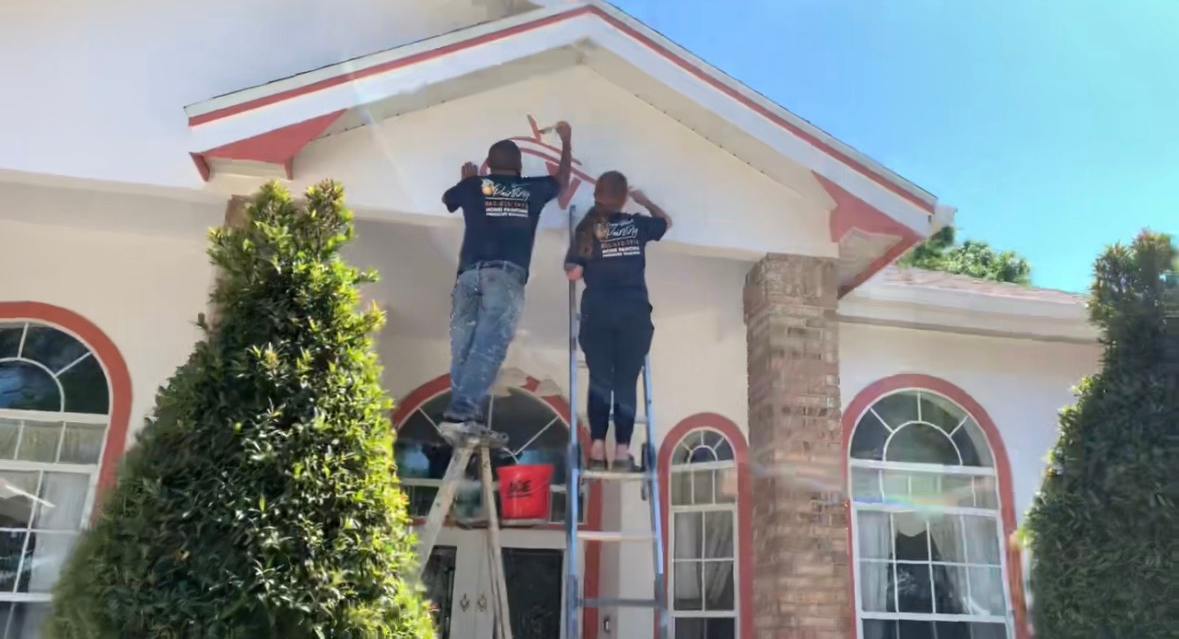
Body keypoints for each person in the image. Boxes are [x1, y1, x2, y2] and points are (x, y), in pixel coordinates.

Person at [439, 122, 573, 444]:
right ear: (520, 166)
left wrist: (469, 182)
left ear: (488, 163)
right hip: (505, 276)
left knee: (464, 346)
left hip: (468, 276)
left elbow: (448, 200)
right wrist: (566, 141)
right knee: (488, 345)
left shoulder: (474, 186)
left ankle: (461, 414)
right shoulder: (533, 189)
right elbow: (563, 181)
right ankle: (461, 412)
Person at [564, 171, 671, 471]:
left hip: (597, 312)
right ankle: (622, 453)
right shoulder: (637, 224)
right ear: (624, 197)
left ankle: (597, 452)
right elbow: (665, 224)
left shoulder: (587, 228)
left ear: (597, 195)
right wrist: (645, 200)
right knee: (625, 382)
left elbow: (573, 272)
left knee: (600, 380)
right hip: (633, 313)